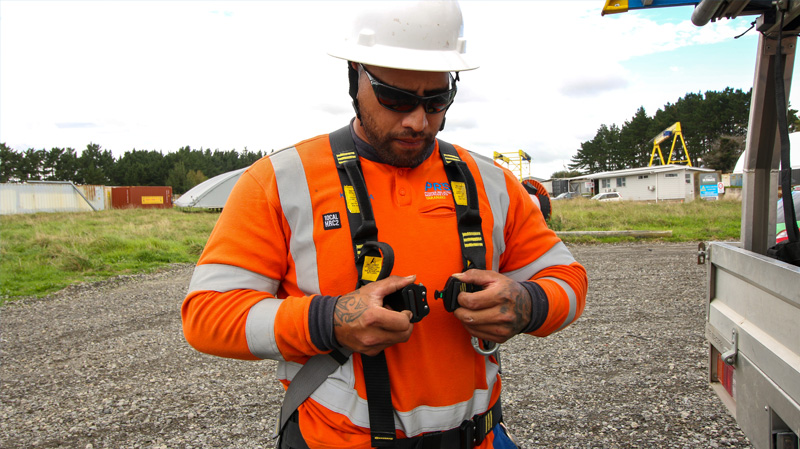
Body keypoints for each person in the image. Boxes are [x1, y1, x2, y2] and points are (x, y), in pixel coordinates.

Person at [181, 2, 588, 448]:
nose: (417, 121)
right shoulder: (279, 181)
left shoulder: (490, 181)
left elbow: (568, 279)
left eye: (436, 101)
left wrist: (528, 303)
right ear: (354, 77)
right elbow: (206, 315)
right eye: (396, 99)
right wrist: (328, 320)